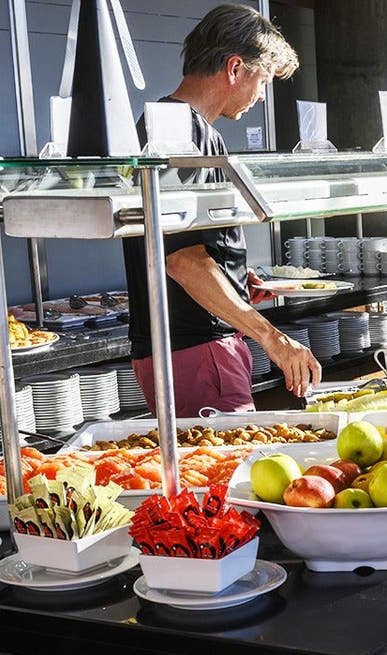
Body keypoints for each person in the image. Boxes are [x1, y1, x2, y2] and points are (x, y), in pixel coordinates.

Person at [123, 4, 320, 417]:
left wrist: (233, 278)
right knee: (227, 475)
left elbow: (186, 246)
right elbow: (181, 260)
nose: (262, 94)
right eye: (262, 79)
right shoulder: (176, 132)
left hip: (192, 349)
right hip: (198, 350)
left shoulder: (186, 129)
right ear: (235, 68)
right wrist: (273, 338)